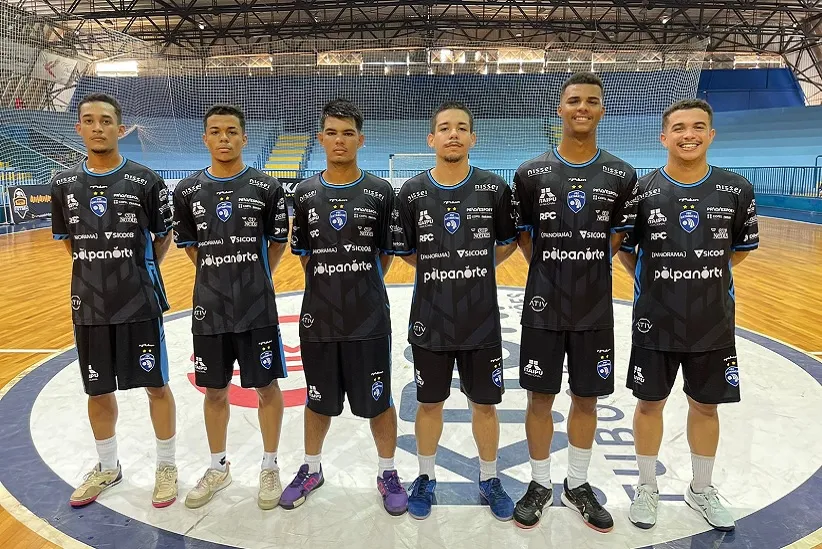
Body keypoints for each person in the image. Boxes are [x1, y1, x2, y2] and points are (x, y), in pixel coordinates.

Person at [617, 98, 759, 531]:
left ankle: (701, 489)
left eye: (698, 127)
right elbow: (627, 251)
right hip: (655, 318)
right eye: (679, 128)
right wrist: (660, 278)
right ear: (664, 137)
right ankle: (646, 487)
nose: (688, 134)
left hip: (712, 320)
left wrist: (701, 276)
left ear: (711, 135)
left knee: (706, 406)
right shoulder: (642, 191)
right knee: (649, 404)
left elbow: (736, 252)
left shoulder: (736, 189)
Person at [511, 72, 637, 531]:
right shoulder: (530, 173)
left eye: (591, 101)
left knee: (587, 398)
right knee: (539, 397)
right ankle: (540, 482)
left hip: (593, 307)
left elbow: (619, 236)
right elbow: (524, 235)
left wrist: (585, 266)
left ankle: (577, 484)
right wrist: (550, 267)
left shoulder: (622, 174)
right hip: (542, 304)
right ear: (560, 109)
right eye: (574, 100)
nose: (582, 107)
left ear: (602, 110)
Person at [50, 93, 178, 508]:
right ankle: (107, 467)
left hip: (140, 301)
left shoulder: (145, 180)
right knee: (97, 391)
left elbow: (163, 237)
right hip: (89, 304)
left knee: (156, 385)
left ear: (120, 129)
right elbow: (71, 243)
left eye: (106, 121)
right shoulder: (63, 184)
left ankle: (166, 466)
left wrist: (136, 270)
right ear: (79, 129)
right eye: (89, 120)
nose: (98, 127)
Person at [281, 99, 407, 515]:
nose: (340, 140)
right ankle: (311, 468)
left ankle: (387, 472)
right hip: (319, 318)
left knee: (379, 401)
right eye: (332, 133)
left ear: (360, 140)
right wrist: (331, 285)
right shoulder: (304, 192)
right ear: (320, 138)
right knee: (317, 400)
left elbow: (384, 255)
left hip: (368, 318)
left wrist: (359, 283)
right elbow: (305, 255)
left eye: (348, 133)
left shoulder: (380, 192)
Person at [395, 101, 519, 521]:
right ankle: (425, 477)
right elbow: (406, 250)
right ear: (431, 139)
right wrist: (441, 265)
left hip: (480, 319)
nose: (453, 134)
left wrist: (474, 265)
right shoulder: (412, 192)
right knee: (430, 403)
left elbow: (508, 242)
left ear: (472, 138)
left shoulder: (494, 188)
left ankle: (490, 478)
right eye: (445, 128)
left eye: (462, 128)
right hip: (430, 318)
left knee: (484, 405)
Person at [172, 104, 290, 510]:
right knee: (214, 390)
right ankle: (218, 466)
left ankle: (270, 466)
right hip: (210, 309)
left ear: (244, 137)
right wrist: (218, 277)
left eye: (232, 131)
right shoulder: (186, 191)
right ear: (205, 138)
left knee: (266, 387)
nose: (224, 138)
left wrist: (252, 276)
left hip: (257, 307)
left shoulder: (266, 187)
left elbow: (277, 244)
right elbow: (193, 249)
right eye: (216, 131)